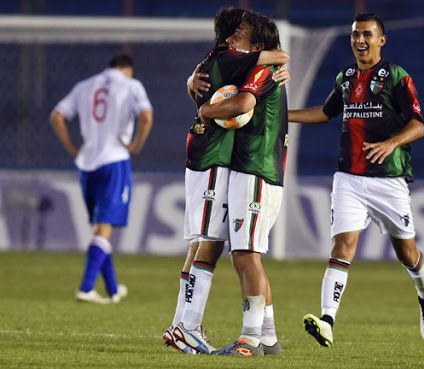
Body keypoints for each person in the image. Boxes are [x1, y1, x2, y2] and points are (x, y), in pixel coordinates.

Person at [288, 12, 424, 346]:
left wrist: (390, 143)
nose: (359, 40)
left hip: (389, 179)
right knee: (343, 246)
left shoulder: (396, 77)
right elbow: (325, 114)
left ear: (381, 40)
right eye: (355, 34)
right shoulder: (346, 77)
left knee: (407, 253)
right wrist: (282, 117)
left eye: (367, 35)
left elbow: (419, 125)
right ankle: (327, 320)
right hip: (349, 178)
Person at [162, 8, 288, 355]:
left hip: (248, 167)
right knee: (221, 245)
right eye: (230, 32)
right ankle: (195, 327)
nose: (232, 38)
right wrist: (198, 94)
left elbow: (244, 101)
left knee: (238, 251)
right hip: (224, 162)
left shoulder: (252, 66)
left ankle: (244, 337)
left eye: (239, 33)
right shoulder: (235, 60)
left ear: (256, 42)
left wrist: (204, 106)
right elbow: (265, 70)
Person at [50, 53, 153, 304]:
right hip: (114, 160)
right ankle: (86, 288)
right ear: (127, 69)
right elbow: (146, 116)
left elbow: (57, 116)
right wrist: (136, 144)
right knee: (104, 228)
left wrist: (73, 148)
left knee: (99, 228)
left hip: (87, 163)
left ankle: (113, 289)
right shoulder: (131, 85)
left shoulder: (84, 86)